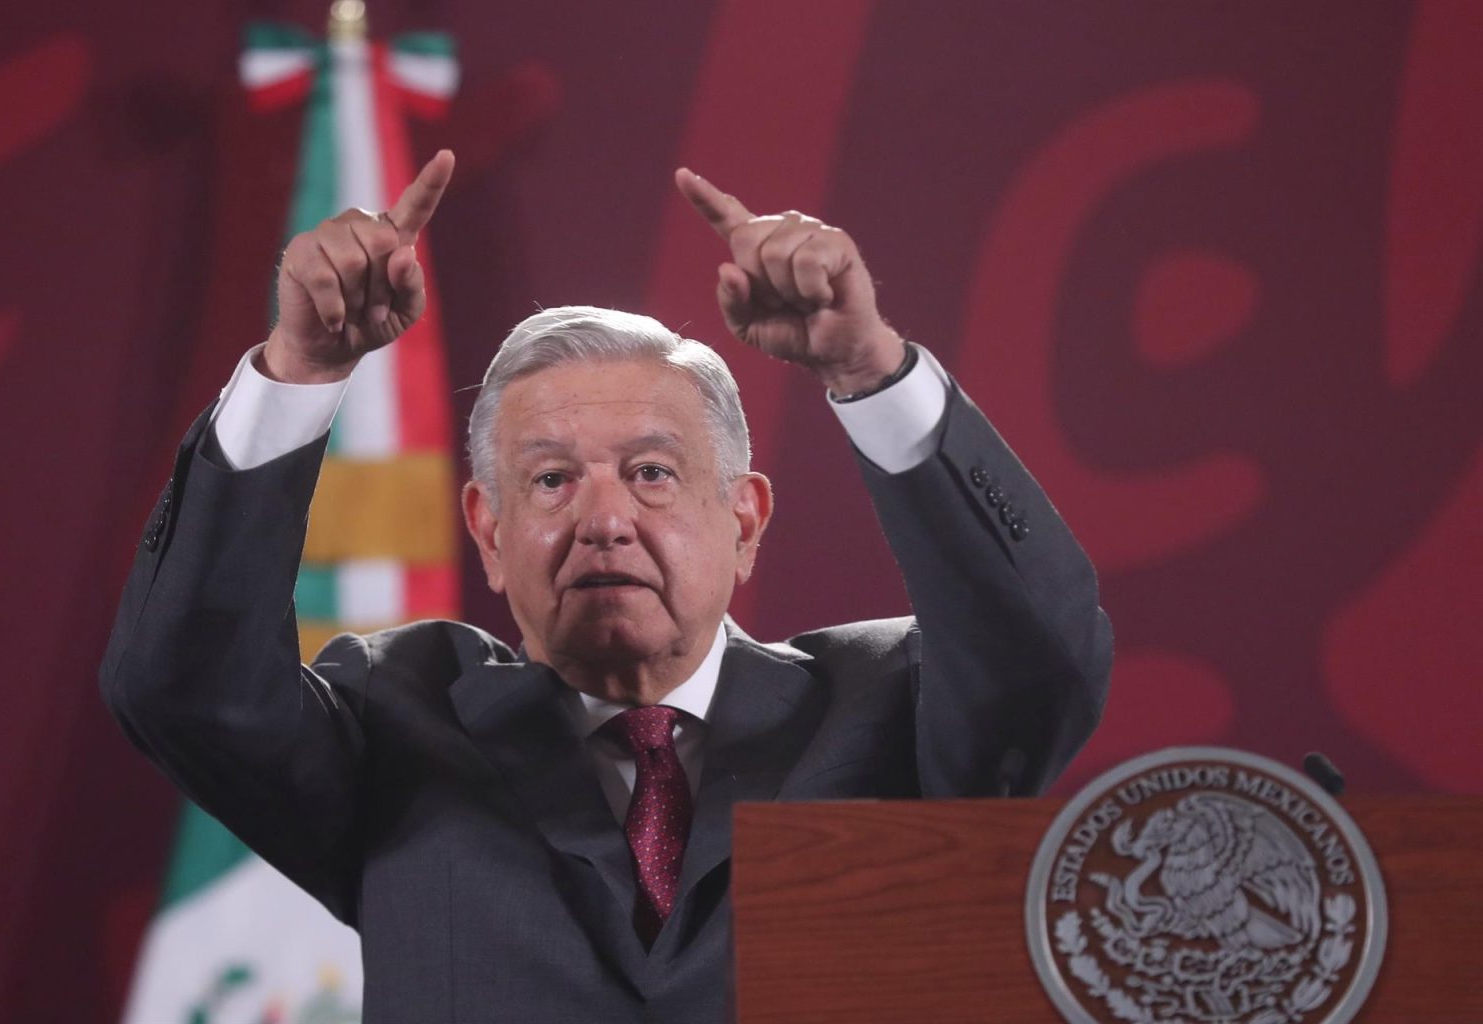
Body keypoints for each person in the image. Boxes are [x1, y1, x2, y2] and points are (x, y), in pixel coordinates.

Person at [101, 150, 1112, 1023]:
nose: (604, 517)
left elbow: (1045, 650)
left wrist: (868, 367)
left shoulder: (890, 708)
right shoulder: (398, 716)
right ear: (489, 537)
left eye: (652, 471)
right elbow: (180, 683)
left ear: (746, 519)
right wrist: (299, 371)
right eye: (550, 479)